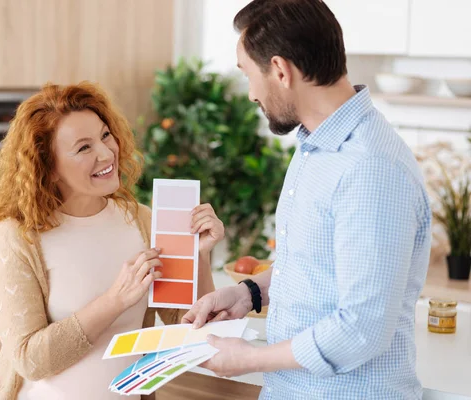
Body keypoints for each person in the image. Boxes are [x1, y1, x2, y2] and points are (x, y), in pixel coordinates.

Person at [182, 1, 432, 399]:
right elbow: (315, 269)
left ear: (280, 71)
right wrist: (248, 294)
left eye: (248, 75)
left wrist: (249, 358)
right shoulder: (316, 144)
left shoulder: (370, 168)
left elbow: (360, 329)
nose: (249, 94)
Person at [0, 82, 224, 400]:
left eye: (105, 135)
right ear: (48, 168)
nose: (106, 153)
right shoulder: (17, 238)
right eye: (84, 148)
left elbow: (190, 324)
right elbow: (30, 359)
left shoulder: (144, 221)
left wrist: (199, 256)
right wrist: (115, 300)